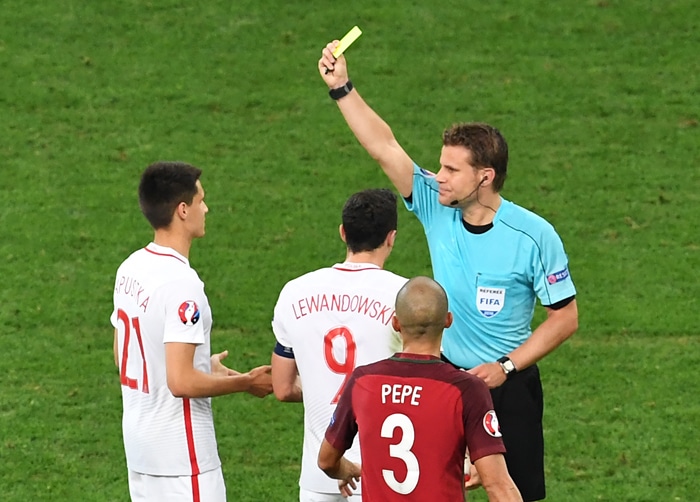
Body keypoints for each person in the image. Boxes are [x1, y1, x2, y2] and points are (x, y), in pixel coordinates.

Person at [317, 44, 579, 502]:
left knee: (513, 493)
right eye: (440, 164)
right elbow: (384, 147)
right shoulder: (438, 208)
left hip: (508, 387)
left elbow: (565, 317)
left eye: (451, 169)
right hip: (445, 384)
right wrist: (341, 87)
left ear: (485, 177)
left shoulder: (534, 236)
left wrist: (504, 367)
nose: (437, 175)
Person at [111, 161, 273, 502]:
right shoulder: (182, 285)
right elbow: (181, 382)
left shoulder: (130, 268)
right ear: (182, 210)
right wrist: (245, 382)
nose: (206, 208)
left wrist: (201, 366)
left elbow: (124, 355)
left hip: (141, 453)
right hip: (182, 462)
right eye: (201, 200)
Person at [318, 276, 523, 502]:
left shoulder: (363, 381)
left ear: (396, 323)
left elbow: (327, 461)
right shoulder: (465, 389)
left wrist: (348, 469)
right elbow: (499, 487)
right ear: (448, 320)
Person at [271, 188, 409, 502]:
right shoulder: (406, 297)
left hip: (319, 471)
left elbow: (281, 387)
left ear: (343, 232)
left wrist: (322, 387)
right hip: (385, 469)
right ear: (391, 237)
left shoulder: (295, 292)